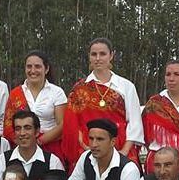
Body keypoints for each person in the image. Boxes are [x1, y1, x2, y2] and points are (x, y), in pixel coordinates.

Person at [62, 38, 144, 169]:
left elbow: (134, 123)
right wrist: (85, 147)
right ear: (89, 56)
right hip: (88, 149)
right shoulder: (79, 88)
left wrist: (124, 152)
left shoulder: (126, 86)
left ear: (111, 55)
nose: (98, 58)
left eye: (102, 54)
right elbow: (72, 124)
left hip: (120, 148)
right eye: (94, 54)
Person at [4, 51, 67, 163]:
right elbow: (8, 125)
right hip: (22, 148)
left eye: (37, 66)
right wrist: (25, 142)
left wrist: (38, 141)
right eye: (29, 66)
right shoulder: (15, 94)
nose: (33, 71)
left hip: (50, 147)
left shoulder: (57, 92)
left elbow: (62, 125)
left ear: (46, 69)